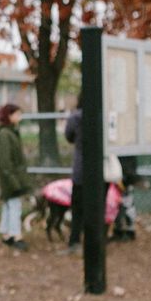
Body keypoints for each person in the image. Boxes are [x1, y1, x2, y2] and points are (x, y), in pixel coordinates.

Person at [0, 103, 30, 251]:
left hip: (12, 176)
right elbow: (5, 161)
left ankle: (6, 234)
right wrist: (13, 181)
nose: (19, 117)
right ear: (9, 116)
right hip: (10, 177)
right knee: (14, 206)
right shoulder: (5, 134)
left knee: (9, 205)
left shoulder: (10, 132)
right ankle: (16, 235)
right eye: (17, 114)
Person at [64, 102, 84, 252]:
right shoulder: (104, 113)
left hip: (81, 169)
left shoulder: (76, 117)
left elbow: (69, 136)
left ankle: (75, 240)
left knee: (77, 207)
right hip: (102, 169)